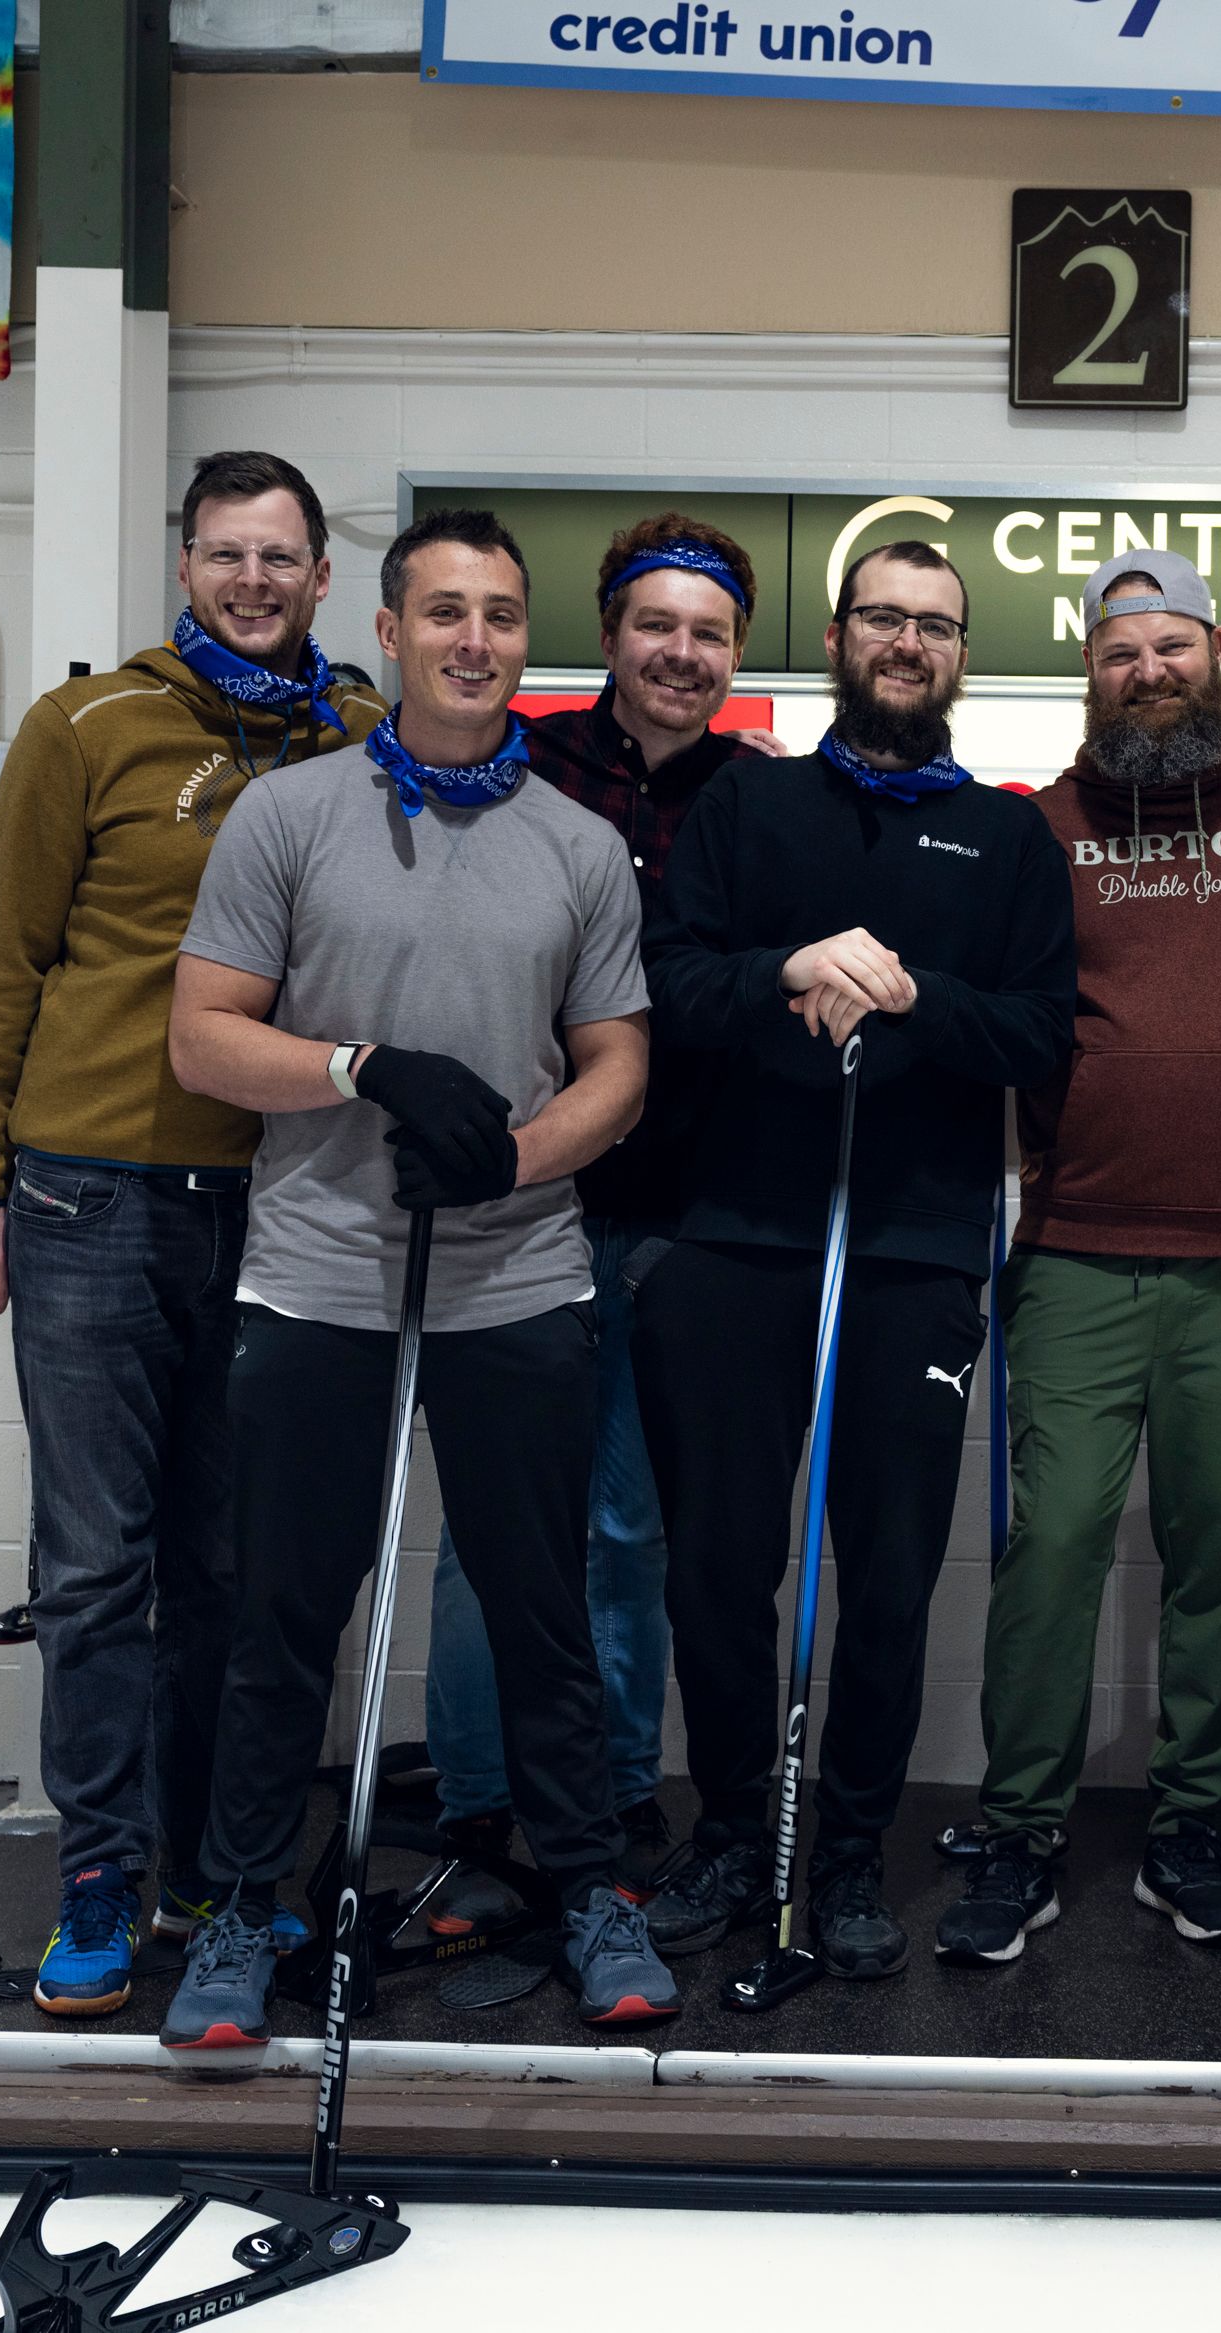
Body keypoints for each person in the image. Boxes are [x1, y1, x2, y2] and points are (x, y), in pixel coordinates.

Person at [155, 506, 678, 2045]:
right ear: (384, 632)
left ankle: (585, 1885)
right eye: (443, 612)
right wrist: (360, 1066)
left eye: (502, 617)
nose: (474, 640)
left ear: (528, 641)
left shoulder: (578, 848)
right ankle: (245, 1911)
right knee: (285, 1611)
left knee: (541, 1604)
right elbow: (205, 1036)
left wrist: (514, 1158)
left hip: (515, 1278)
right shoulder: (289, 816)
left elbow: (620, 1066)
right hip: (320, 1276)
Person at [0, 450, 385, 2018]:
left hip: (285, 1196)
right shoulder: (85, 727)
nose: (254, 581)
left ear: (325, 578)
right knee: (94, 1564)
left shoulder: (359, 736)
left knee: (229, 1563)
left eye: (282, 557)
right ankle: (98, 1876)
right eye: (226, 554)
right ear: (182, 563)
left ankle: (212, 1864)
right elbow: (10, 961)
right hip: (90, 1189)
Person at [633, 538, 1075, 1981]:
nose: (907, 642)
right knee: (717, 1564)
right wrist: (788, 967)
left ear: (961, 654)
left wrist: (911, 995)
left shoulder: (1008, 839)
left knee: (888, 1578)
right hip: (738, 1240)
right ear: (835, 637)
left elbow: (1039, 1036)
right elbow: (671, 983)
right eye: (883, 618)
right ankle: (729, 1833)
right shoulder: (749, 800)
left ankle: (848, 1855)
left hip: (913, 1253)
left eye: (935, 626)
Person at [416, 512, 783, 1928]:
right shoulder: (516, 766)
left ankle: (619, 1795)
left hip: (670, 1212)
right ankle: (475, 1801)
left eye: (707, 634)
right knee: (489, 1534)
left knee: (628, 1527)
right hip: (514, 1206)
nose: (679, 653)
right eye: (655, 625)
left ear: (735, 653)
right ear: (610, 632)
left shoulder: (758, 802)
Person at [940, 554, 1221, 1966]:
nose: (1147, 672)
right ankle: (1020, 1831)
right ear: (1087, 673)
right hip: (1080, 1251)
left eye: (1171, 647)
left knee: (1219, 1553)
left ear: (1217, 654)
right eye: (1118, 653)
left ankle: (1188, 1826)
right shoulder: (1037, 828)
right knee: (1059, 1550)